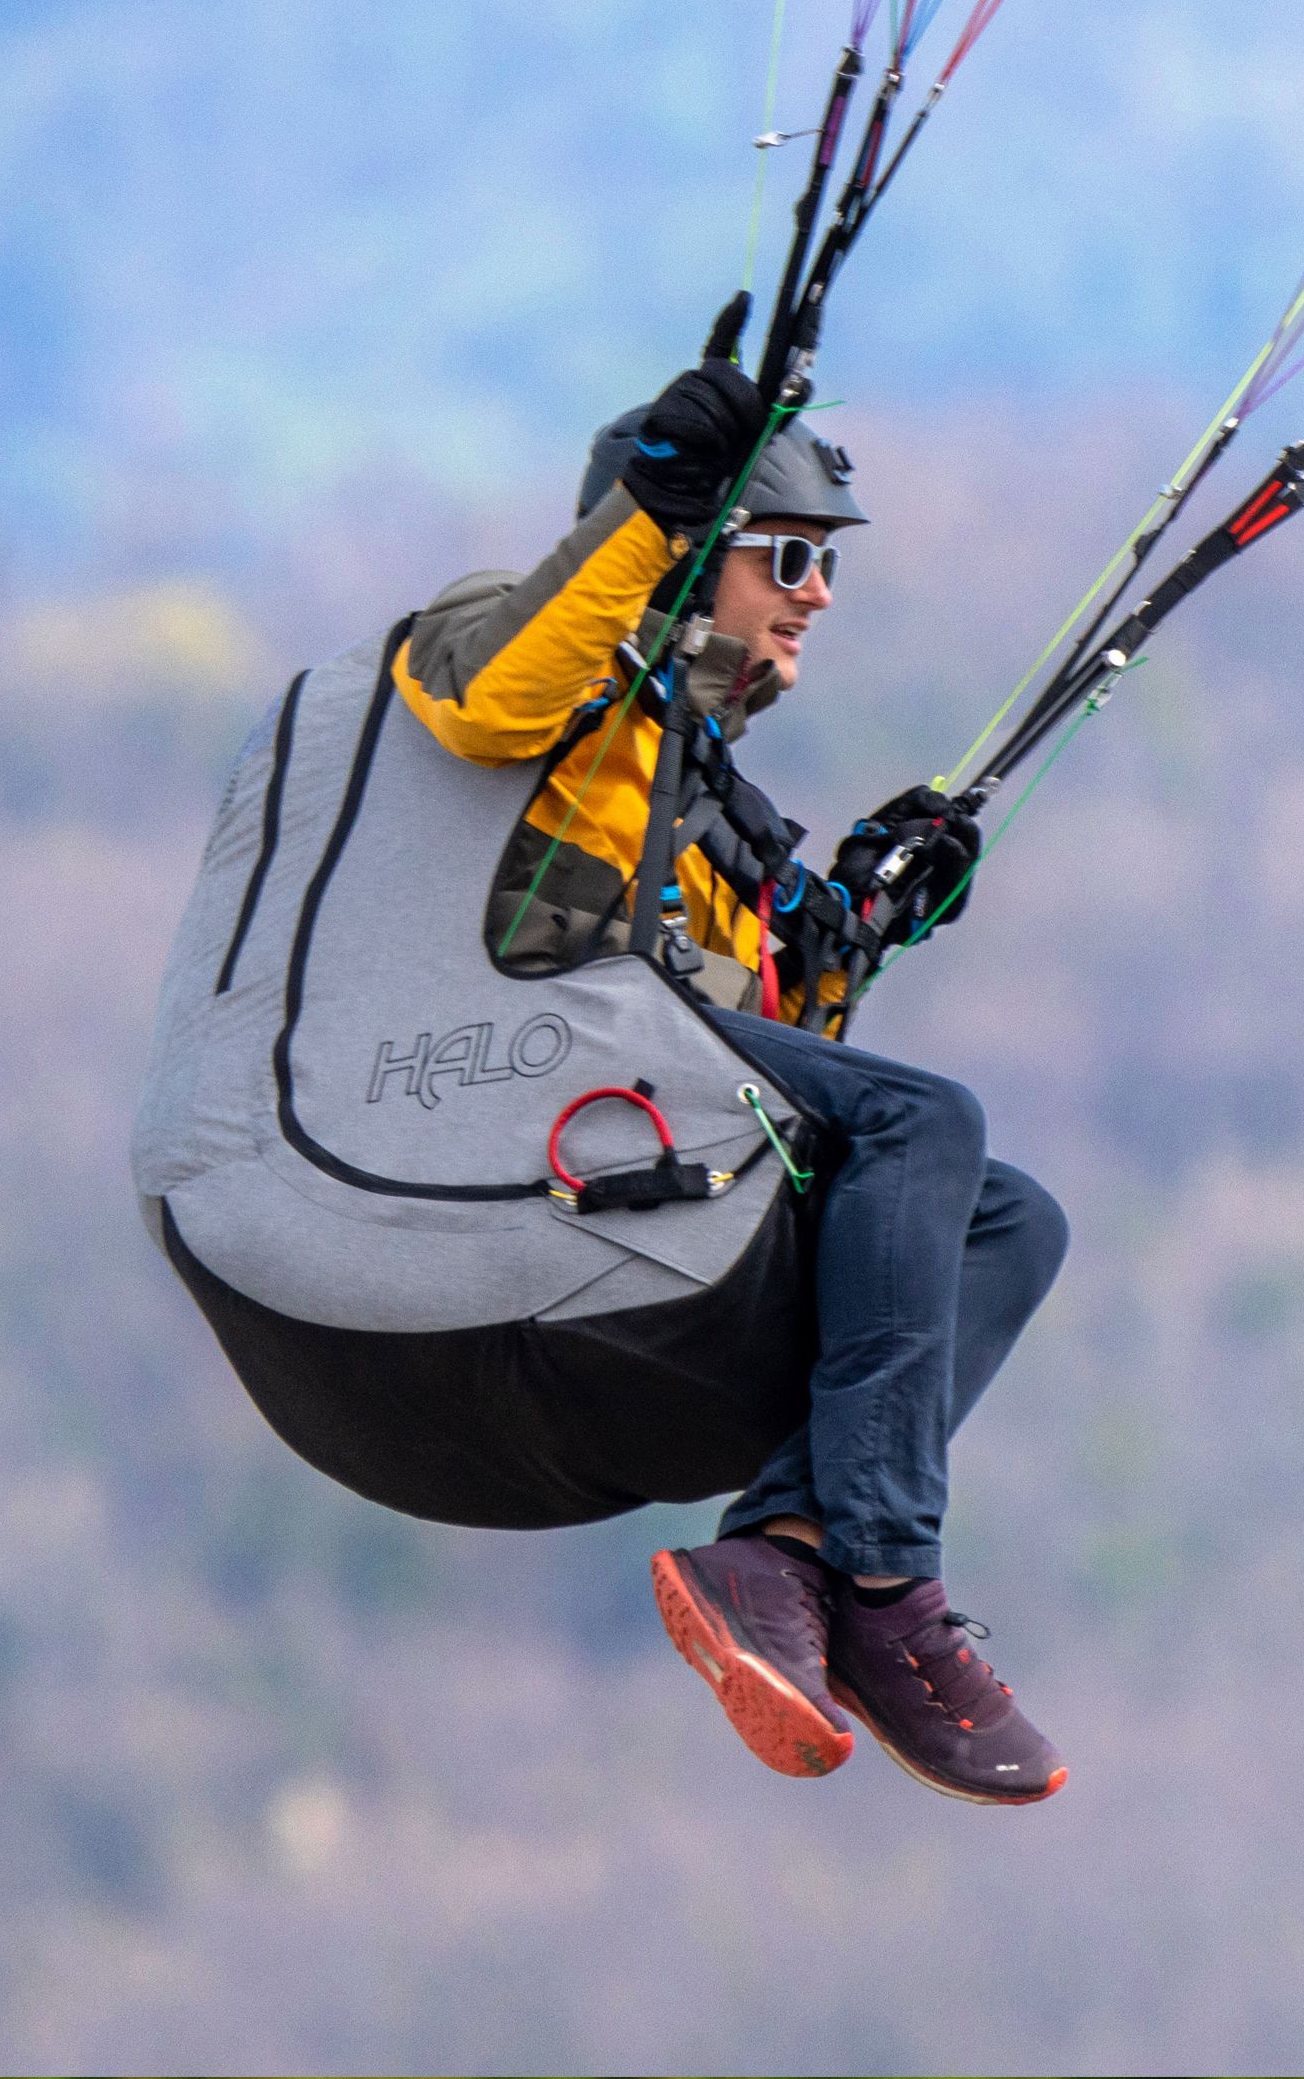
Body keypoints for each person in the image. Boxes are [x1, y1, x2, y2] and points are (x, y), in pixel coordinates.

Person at [396, 352, 1069, 1802]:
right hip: (491, 1079)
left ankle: (788, 1553)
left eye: (825, 564)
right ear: (692, 554)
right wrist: (650, 513)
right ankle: (889, 1583)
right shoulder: (493, 644)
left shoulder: (698, 801)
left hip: (625, 1106)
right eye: (787, 556)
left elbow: (768, 1059)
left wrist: (857, 924)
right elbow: (490, 707)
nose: (818, 592)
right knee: (928, 1115)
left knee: (1010, 1218)